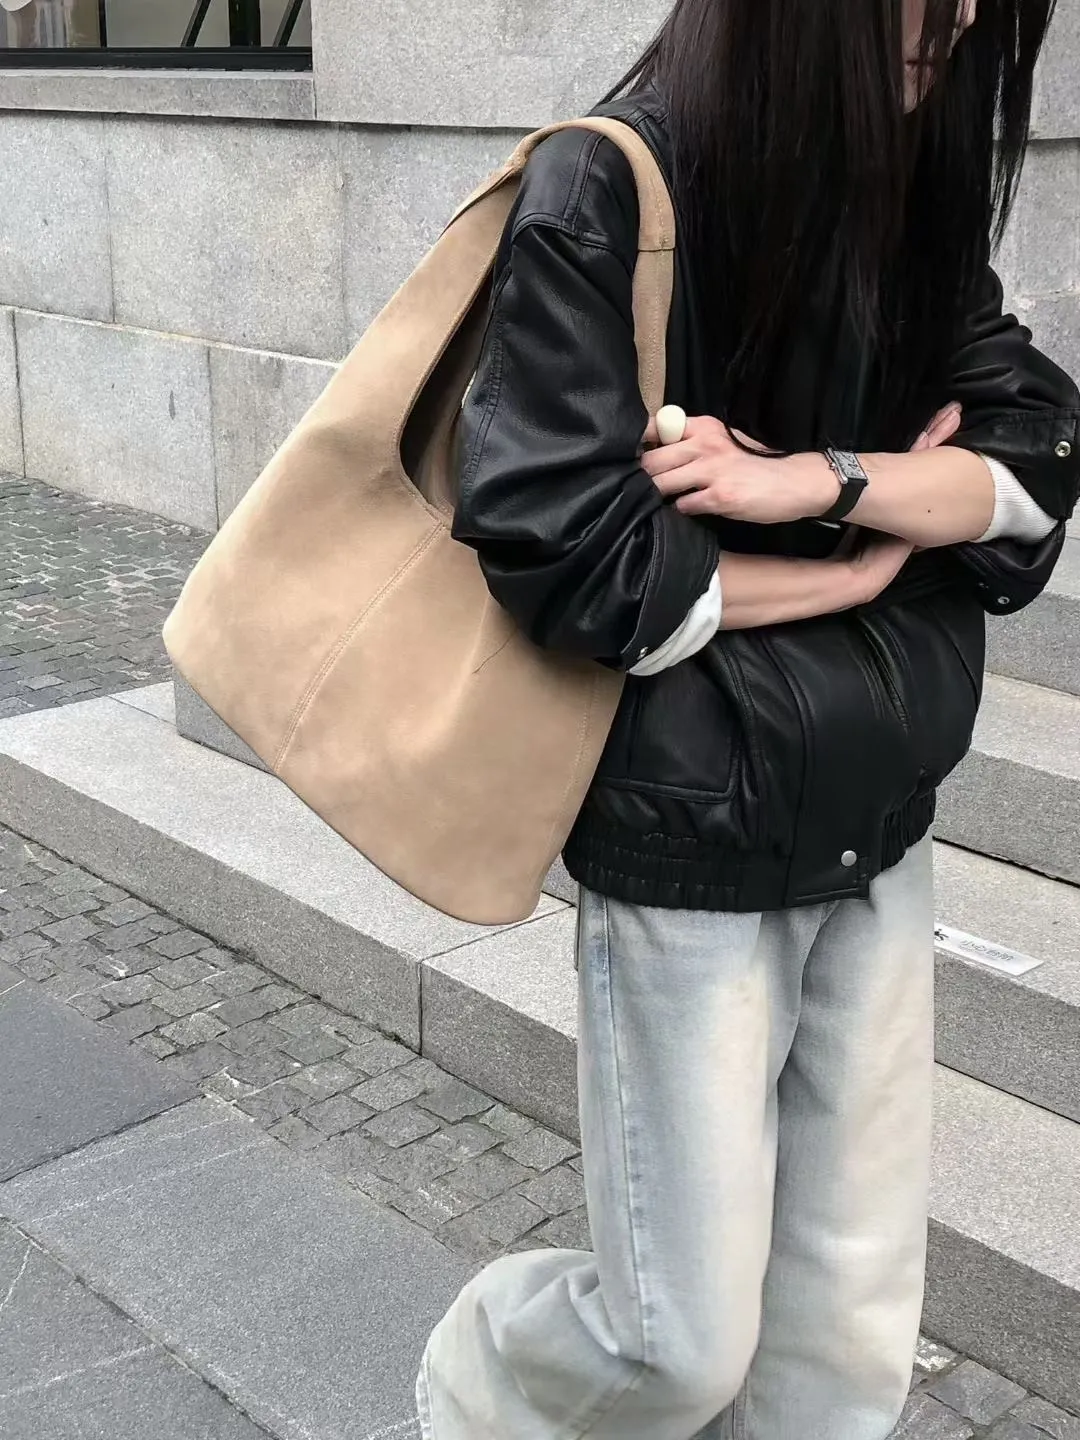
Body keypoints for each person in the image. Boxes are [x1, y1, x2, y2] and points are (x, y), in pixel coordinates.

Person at [417, 0, 1079, 1436]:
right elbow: (575, 556)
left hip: (882, 817)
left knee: (843, 1338)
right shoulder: (607, 182)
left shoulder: (905, 185)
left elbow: (1035, 453)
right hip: (692, 830)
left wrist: (819, 483)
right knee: (674, 1342)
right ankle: (473, 1390)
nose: (966, 14)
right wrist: (868, 555)